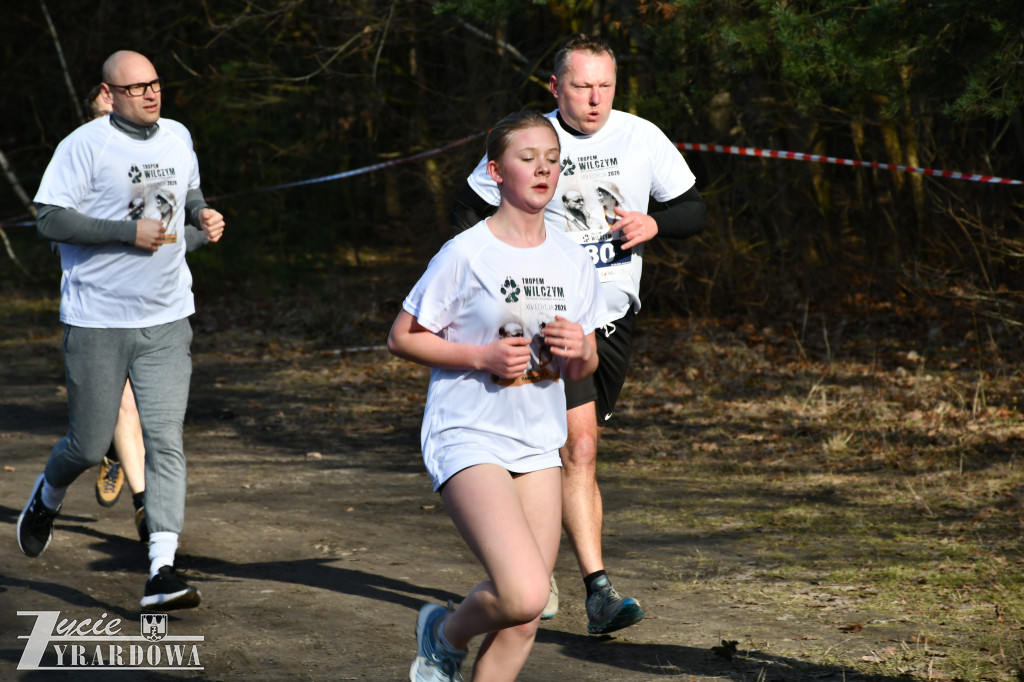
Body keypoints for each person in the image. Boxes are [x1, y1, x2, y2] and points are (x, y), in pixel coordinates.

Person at [449, 33, 708, 635]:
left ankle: (528, 570)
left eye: (605, 86)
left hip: (613, 317)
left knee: (558, 451)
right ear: (555, 86)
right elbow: (465, 214)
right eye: (582, 86)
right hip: (548, 320)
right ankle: (597, 590)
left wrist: (654, 224)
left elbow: (694, 211)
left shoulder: (641, 136)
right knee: (579, 447)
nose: (595, 99)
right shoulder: (532, 139)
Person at [389, 110, 603, 681]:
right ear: (496, 172)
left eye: (552, 159)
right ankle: (443, 634)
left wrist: (580, 349)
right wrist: (479, 357)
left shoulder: (573, 259)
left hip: (537, 441)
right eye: (527, 158)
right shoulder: (466, 253)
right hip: (468, 432)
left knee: (525, 617)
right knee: (526, 590)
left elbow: (585, 362)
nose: (543, 169)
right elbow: (402, 336)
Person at [17, 50, 225, 611]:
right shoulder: (83, 145)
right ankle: (48, 493)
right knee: (89, 445)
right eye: (137, 88)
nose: (151, 94)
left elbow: (189, 195)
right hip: (97, 319)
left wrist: (202, 216)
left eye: (156, 84)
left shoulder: (178, 136)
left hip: (167, 317)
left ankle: (162, 570)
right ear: (109, 93)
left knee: (165, 439)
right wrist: (125, 233)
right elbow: (49, 219)